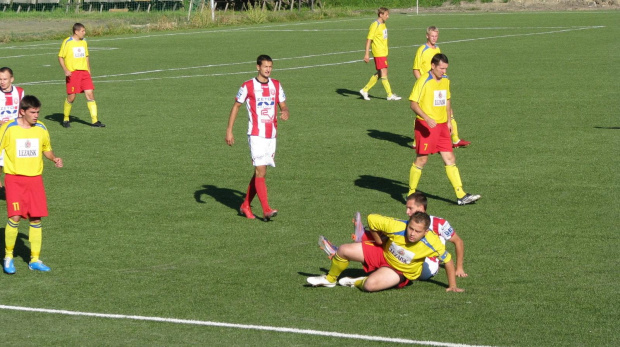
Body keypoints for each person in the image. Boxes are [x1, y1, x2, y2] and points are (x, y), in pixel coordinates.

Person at [319, 192, 468, 281]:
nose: (407, 212)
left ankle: (362, 238)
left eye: (410, 208)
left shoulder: (439, 223)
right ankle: (352, 245)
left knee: (392, 243)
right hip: (410, 258)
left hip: (426, 267)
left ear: (421, 208)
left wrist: (459, 268)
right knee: (391, 236)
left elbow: (458, 242)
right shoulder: (411, 224)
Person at [307, 212, 464, 293]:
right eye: (410, 228)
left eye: (417, 231)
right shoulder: (397, 226)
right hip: (383, 253)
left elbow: (448, 261)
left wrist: (452, 286)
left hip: (400, 270)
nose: (412, 234)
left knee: (370, 286)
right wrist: (379, 241)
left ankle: (356, 281)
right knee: (343, 250)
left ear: (425, 232)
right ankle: (330, 279)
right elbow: (372, 219)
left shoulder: (433, 242)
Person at [0, 95, 63, 274]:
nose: (36, 116)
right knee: (15, 217)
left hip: (35, 180)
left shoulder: (41, 128)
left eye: (38, 112)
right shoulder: (8, 128)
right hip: (14, 179)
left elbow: (46, 149)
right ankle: (8, 257)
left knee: (36, 218)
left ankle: (34, 259)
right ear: (22, 111)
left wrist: (54, 158)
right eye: (33, 112)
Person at [408, 53, 480, 206]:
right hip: (425, 126)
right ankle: (411, 193)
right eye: (441, 68)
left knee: (450, 158)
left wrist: (448, 121)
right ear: (433, 66)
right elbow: (413, 104)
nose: (444, 72)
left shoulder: (446, 80)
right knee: (422, 159)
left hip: (441, 127)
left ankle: (461, 195)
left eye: (446, 69)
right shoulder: (423, 81)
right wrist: (427, 118)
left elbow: (447, 100)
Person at [226, 55, 289, 221]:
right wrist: (229, 130)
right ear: (258, 67)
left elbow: (282, 104)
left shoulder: (276, 84)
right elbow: (236, 107)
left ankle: (245, 204)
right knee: (260, 170)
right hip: (256, 134)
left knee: (261, 172)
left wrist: (285, 111)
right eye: (265, 66)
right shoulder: (248, 86)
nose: (268, 69)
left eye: (270, 66)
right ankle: (266, 209)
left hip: (271, 134)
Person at [412, 26, 470, 149]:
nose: (434, 38)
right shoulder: (422, 50)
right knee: (422, 115)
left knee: (448, 111)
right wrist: (424, 85)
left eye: (436, 36)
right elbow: (416, 69)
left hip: (438, 86)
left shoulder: (437, 48)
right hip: (427, 88)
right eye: (432, 36)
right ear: (427, 36)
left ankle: (455, 139)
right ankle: (416, 142)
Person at [58, 23, 104, 128]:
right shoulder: (67, 42)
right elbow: (60, 57)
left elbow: (86, 56)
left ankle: (95, 121)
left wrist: (88, 70)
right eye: (82, 31)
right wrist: (65, 70)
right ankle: (65, 119)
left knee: (90, 94)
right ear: (76, 32)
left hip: (84, 73)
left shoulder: (84, 42)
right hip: (73, 73)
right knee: (71, 97)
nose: (84, 33)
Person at [359, 7, 401, 101]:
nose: (388, 17)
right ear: (381, 15)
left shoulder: (383, 24)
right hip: (378, 53)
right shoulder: (375, 24)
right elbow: (369, 39)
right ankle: (389, 94)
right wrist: (367, 54)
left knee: (380, 73)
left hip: (383, 52)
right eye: (386, 15)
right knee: (384, 73)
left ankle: (365, 90)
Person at [0, 67, 25, 190]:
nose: (2, 82)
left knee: (15, 160)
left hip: (14, 133)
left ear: (12, 79)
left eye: (5, 79)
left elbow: (22, 111)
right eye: (0, 79)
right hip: (0, 133)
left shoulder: (20, 92)